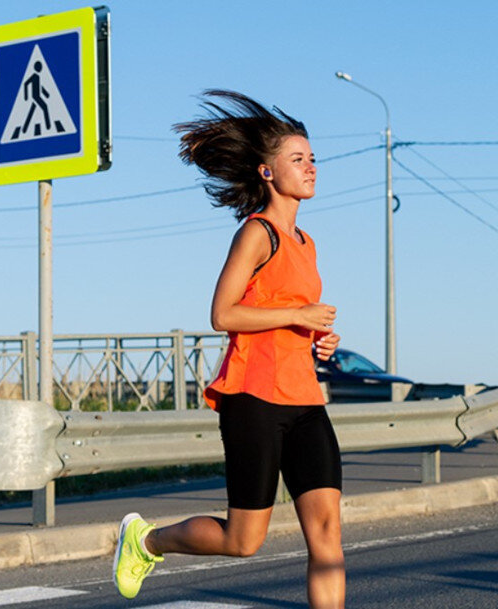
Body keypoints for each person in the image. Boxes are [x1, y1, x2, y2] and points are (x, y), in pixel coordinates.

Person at [113, 90, 345, 608]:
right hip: (254, 400)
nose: (310, 168)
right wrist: (297, 315)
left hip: (305, 400)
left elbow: (289, 317)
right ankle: (146, 541)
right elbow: (223, 315)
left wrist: (318, 338)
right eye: (297, 159)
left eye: (313, 159)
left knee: (328, 539)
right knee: (244, 541)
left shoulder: (307, 243)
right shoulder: (256, 234)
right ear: (266, 172)